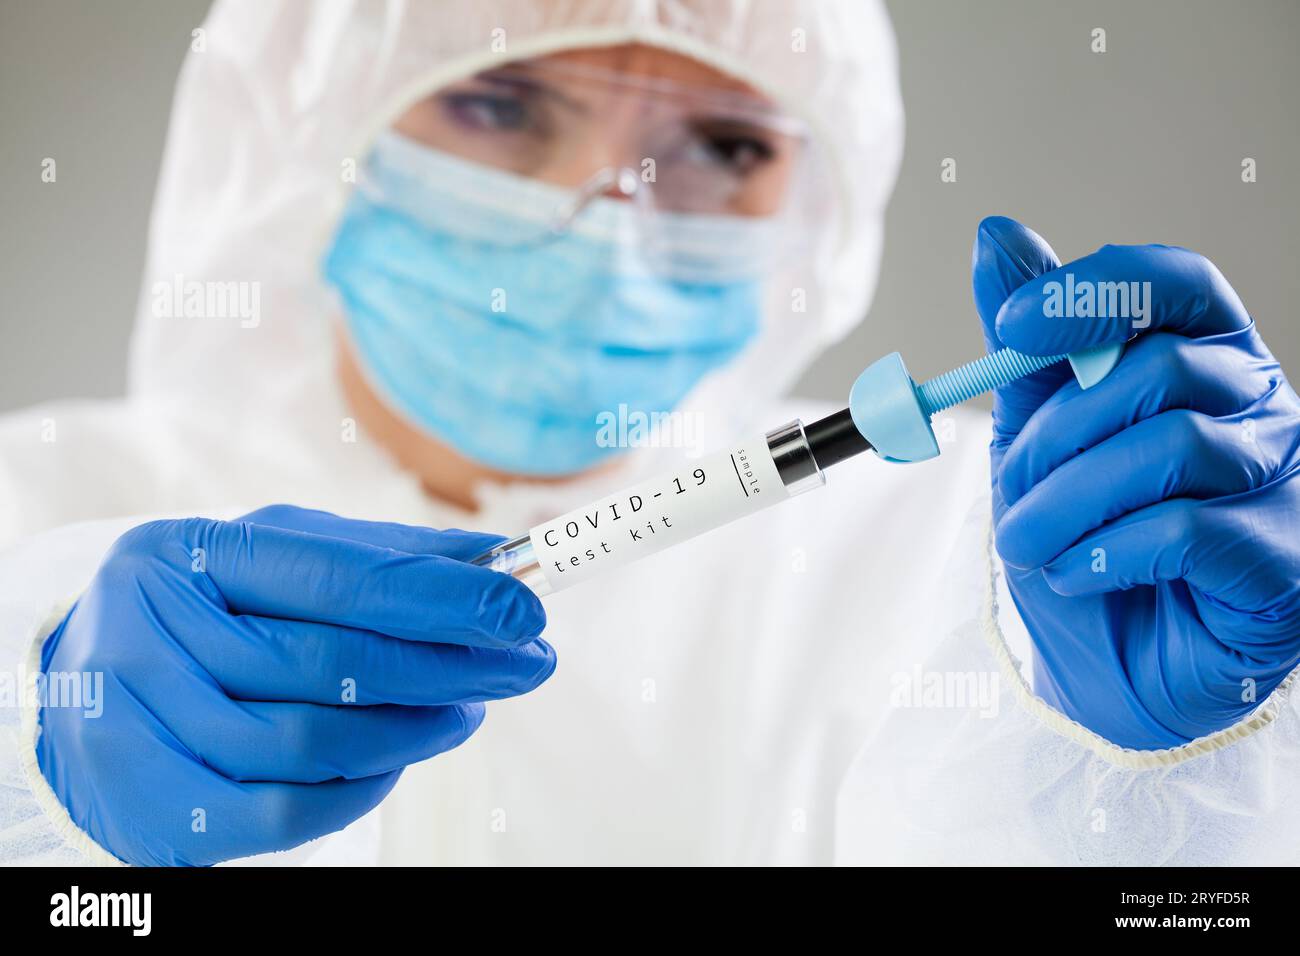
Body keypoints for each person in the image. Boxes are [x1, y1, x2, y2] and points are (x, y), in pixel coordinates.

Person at [1, 0, 1297, 867]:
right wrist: (41, 782)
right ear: (304, 118)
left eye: (723, 143)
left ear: (816, 203)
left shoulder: (990, 559)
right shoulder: (41, 513)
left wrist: (1157, 789)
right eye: (500, 106)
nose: (604, 214)